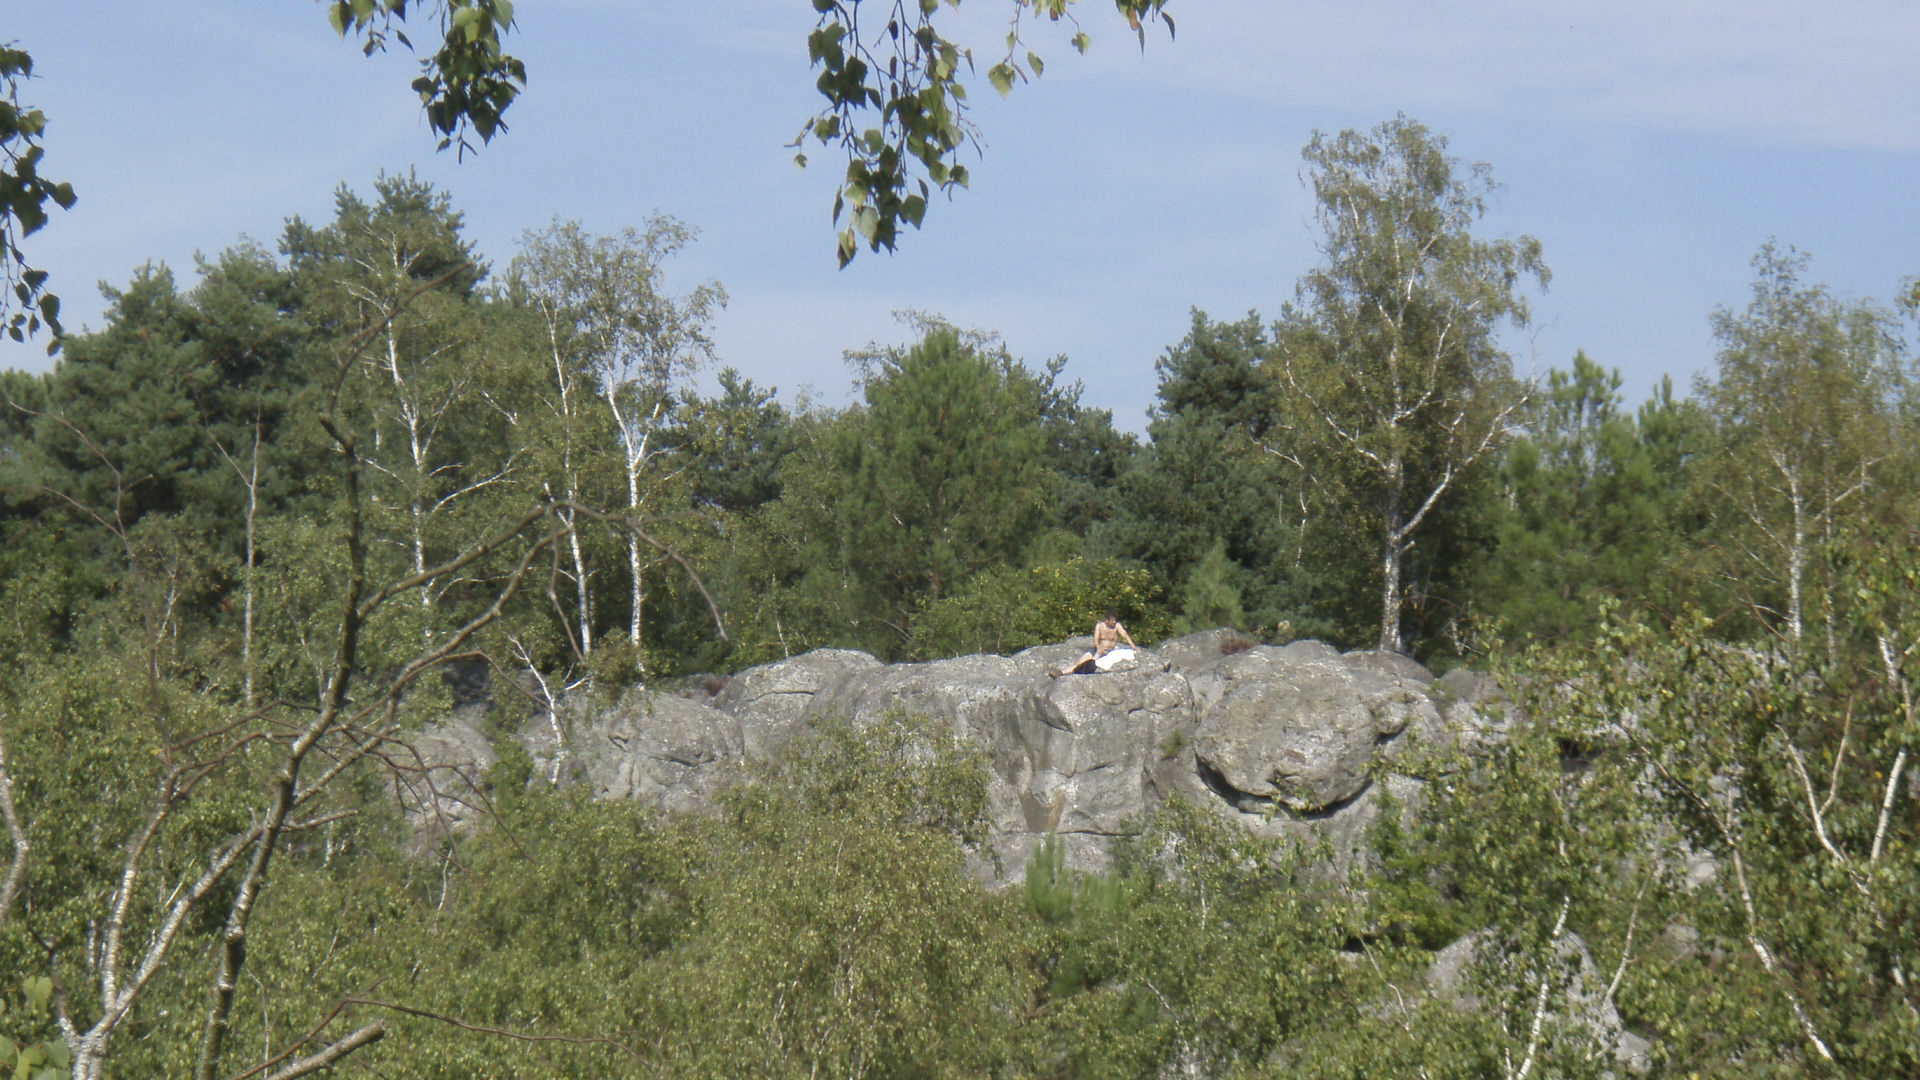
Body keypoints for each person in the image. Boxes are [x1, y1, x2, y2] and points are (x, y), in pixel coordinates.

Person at [1054, 610, 1137, 677]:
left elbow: (1125, 635)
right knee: (1080, 663)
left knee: (1090, 664)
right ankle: (1061, 672)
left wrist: (1133, 646)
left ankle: (1074, 671)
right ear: (1106, 620)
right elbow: (1096, 639)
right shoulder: (1100, 626)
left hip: (1108, 651)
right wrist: (1099, 648)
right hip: (1097, 649)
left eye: (1115, 620)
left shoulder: (1117, 626)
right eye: (1112, 620)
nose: (1114, 622)